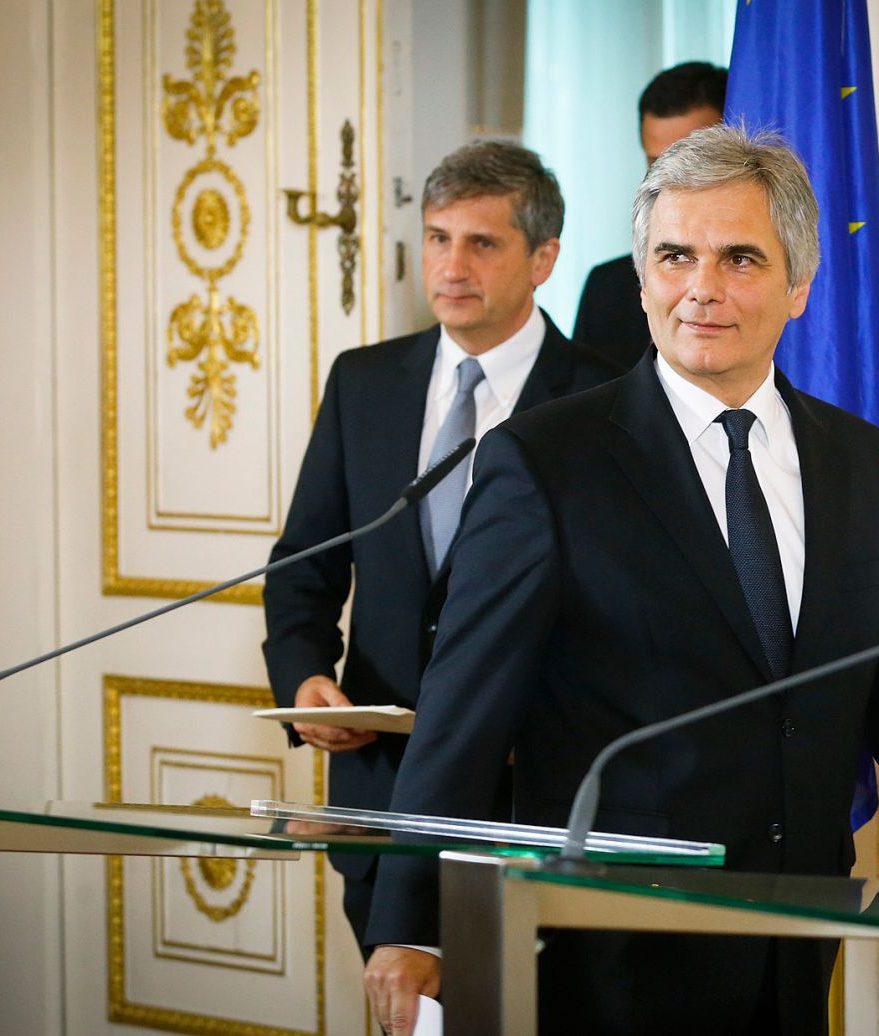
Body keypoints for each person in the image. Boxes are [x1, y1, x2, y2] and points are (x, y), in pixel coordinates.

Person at [362, 125, 879, 1034]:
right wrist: (413, 924)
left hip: (796, 939)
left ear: (798, 286)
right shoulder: (545, 461)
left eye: (740, 258)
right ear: (642, 278)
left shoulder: (865, 466)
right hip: (608, 951)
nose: (701, 289)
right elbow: (463, 715)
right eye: (675, 256)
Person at [261, 140, 617, 960]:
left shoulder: (604, 396)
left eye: (482, 243)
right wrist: (306, 677)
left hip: (536, 793)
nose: (451, 265)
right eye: (436, 237)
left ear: (543, 258)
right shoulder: (365, 381)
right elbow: (303, 567)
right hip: (381, 793)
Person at [571, 60, 727, 371]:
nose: (674, 181)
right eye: (658, 164)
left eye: (692, 161)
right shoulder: (608, 290)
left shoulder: (775, 281)